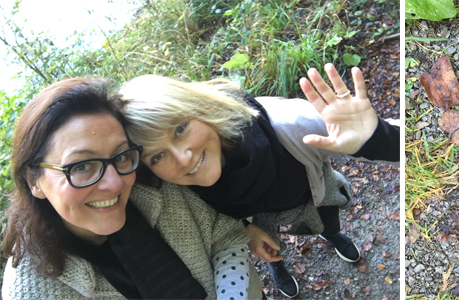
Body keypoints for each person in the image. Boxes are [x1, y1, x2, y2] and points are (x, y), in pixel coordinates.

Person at [114, 64, 400, 298]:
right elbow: (212, 222)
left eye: (180, 128)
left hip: (310, 192)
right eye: (157, 156)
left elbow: (397, 145)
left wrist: (376, 139)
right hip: (262, 215)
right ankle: (279, 267)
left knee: (327, 219)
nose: (183, 158)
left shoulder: (291, 126)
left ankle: (333, 235)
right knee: (273, 247)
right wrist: (246, 228)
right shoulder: (175, 186)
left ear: (199, 107)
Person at [1, 78, 263, 299]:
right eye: (81, 167)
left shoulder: (154, 185)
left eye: (120, 156)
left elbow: (225, 236)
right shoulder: (29, 291)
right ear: (34, 180)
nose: (115, 183)